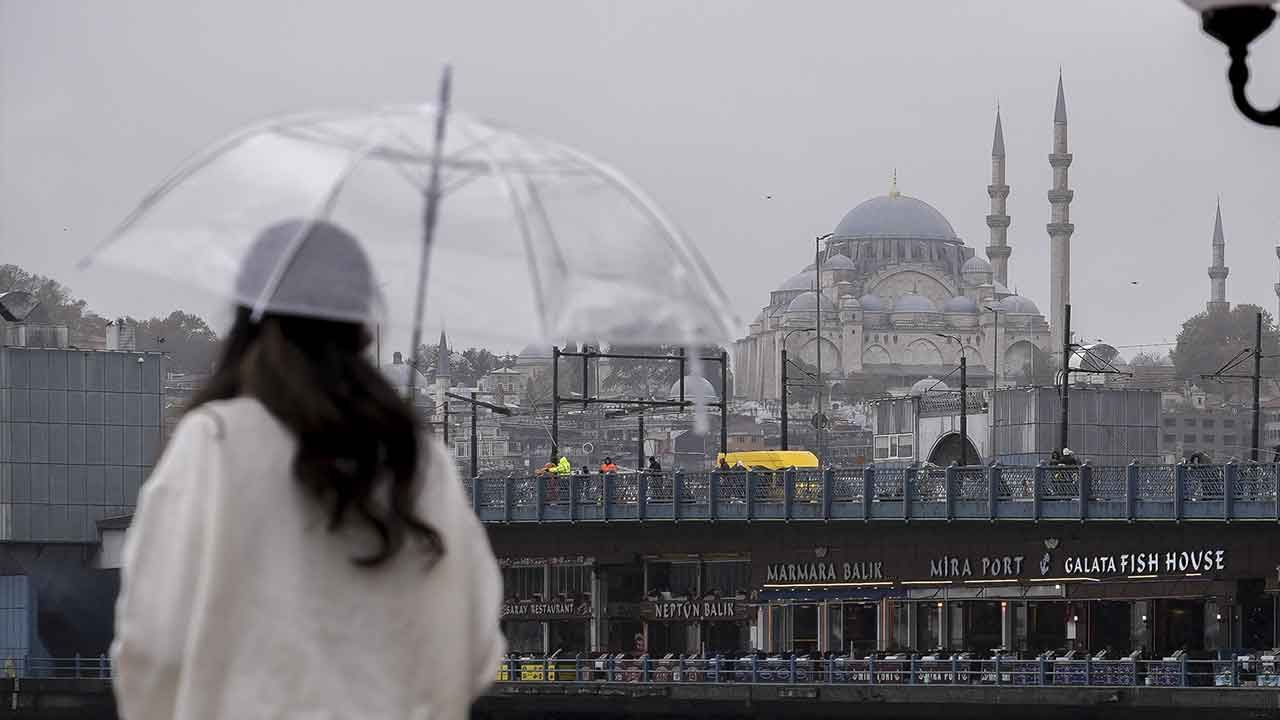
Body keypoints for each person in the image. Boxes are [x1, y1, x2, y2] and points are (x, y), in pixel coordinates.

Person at [111, 220, 504, 720]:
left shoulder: (215, 442)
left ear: (252, 321)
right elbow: (477, 652)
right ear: (359, 324)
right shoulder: (421, 461)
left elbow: (151, 643)